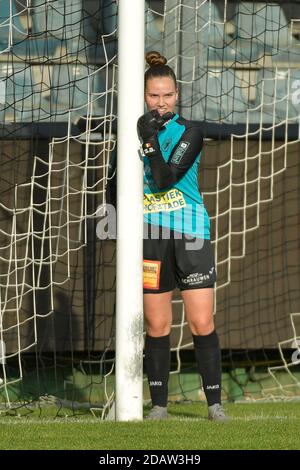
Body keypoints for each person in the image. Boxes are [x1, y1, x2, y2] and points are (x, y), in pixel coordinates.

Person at [137, 51, 228, 421]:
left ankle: (215, 406)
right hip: (152, 237)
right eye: (154, 96)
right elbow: (115, 185)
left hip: (190, 234)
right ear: (144, 95)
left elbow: (164, 179)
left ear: (178, 95)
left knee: (201, 322)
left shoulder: (190, 132)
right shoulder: (134, 131)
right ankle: (159, 406)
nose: (161, 103)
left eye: (167, 95)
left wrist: (148, 140)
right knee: (157, 324)